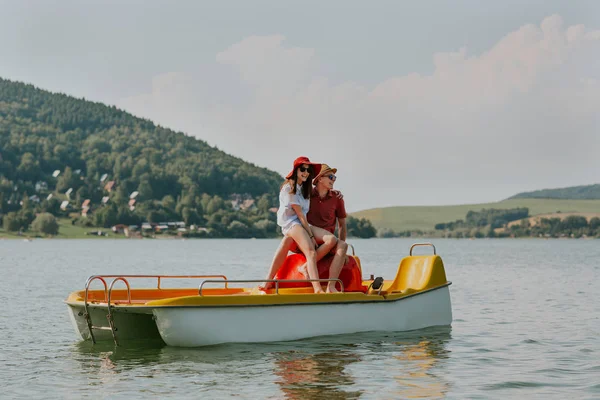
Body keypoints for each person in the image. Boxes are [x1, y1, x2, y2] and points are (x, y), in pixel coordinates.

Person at [262, 162, 348, 293]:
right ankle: (268, 280)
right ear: (320, 178)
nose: (334, 180)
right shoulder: (306, 193)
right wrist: (311, 237)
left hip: (322, 240)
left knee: (340, 244)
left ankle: (331, 286)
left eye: (334, 178)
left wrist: (343, 254)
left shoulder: (336, 197)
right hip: (304, 233)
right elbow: (299, 216)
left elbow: (342, 225)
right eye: (331, 177)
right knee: (288, 240)